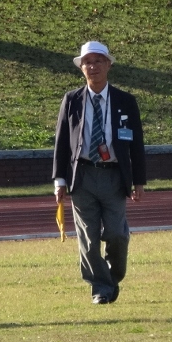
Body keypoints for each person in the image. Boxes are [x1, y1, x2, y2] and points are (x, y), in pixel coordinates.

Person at [53, 41, 146, 304]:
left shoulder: (125, 101)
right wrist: (59, 180)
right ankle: (100, 288)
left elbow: (137, 144)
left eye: (98, 61)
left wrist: (139, 181)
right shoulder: (72, 100)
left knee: (117, 234)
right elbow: (61, 142)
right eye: (87, 62)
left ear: (108, 65)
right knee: (89, 239)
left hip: (114, 176)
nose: (92, 66)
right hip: (82, 176)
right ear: (81, 68)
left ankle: (111, 278)